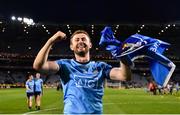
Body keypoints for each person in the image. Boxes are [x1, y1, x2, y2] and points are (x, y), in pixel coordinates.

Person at [33, 30, 131, 114]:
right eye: (77, 40)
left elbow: (124, 76)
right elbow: (38, 66)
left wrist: (122, 55)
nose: (80, 41)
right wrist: (51, 41)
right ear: (71, 47)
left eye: (83, 39)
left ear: (90, 44)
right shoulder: (64, 65)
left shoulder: (100, 67)